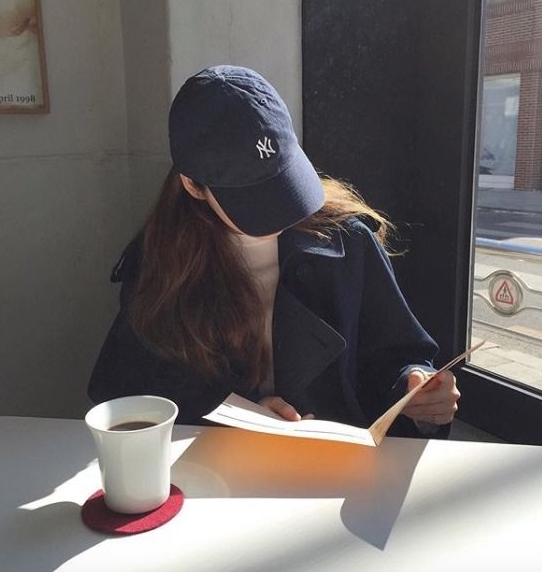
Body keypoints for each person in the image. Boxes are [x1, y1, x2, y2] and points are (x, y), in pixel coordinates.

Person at [88, 65, 460, 438]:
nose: (281, 212)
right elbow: (130, 389)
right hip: (217, 474)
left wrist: (418, 391)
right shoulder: (162, 261)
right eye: (253, 197)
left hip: (340, 472)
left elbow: (395, 354)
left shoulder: (348, 240)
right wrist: (237, 413)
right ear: (192, 185)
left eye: (283, 180)